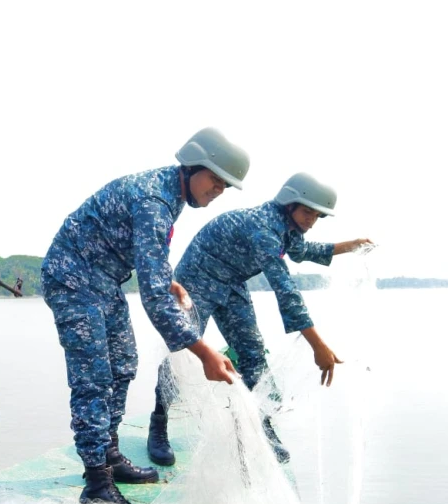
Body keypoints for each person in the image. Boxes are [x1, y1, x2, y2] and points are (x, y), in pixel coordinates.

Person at [41, 127, 250, 504]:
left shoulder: (171, 196)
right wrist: (203, 352)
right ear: (191, 167)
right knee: (93, 377)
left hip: (103, 278)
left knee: (123, 364)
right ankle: (96, 483)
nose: (217, 191)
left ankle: (110, 454)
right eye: (215, 181)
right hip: (71, 276)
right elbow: (152, 299)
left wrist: (169, 281)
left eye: (225, 187)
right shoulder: (155, 199)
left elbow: (147, 258)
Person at [146, 172, 373, 467]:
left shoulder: (288, 228)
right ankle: (159, 423)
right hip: (197, 279)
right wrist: (319, 346)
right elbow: (287, 292)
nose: (311, 221)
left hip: (231, 283)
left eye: (317, 216)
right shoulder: (263, 229)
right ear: (289, 204)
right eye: (307, 212)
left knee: (253, 352)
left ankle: (262, 425)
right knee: (183, 355)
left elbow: (304, 252)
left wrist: (351, 245)